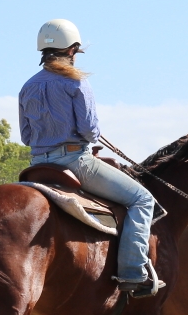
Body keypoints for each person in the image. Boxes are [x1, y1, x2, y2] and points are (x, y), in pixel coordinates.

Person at [19, 19, 163, 297]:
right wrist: (91, 133)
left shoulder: (27, 87)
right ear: (73, 50)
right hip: (76, 162)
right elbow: (88, 130)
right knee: (142, 199)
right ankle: (133, 272)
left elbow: (26, 136)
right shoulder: (76, 81)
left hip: (38, 166)